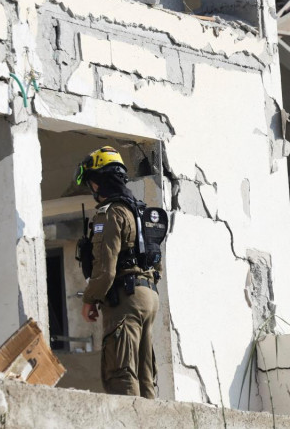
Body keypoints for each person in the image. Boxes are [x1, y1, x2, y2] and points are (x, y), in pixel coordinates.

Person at [76, 146, 160, 398]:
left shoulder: (110, 213)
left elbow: (105, 270)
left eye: (91, 181)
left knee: (120, 374)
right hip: (149, 295)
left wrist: (90, 299)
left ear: (98, 181)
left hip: (125, 297)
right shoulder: (142, 211)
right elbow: (158, 263)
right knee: (145, 378)